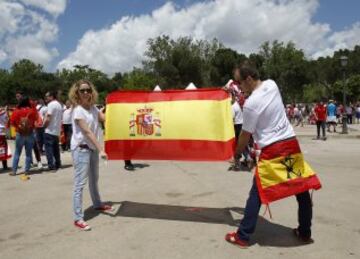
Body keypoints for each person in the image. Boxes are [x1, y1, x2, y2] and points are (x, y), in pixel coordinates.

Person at [225, 64, 320, 248]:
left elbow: (245, 135)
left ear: (249, 79)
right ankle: (305, 232)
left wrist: (236, 153)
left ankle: (243, 236)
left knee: (258, 193)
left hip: (273, 149)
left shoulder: (251, 105)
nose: (239, 86)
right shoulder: (272, 85)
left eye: (239, 82)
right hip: (291, 144)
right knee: (301, 189)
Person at [69, 80, 114, 231]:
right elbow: (87, 132)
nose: (86, 93)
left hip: (92, 149)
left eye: (88, 90)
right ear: (77, 93)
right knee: (79, 184)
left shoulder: (93, 108)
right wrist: (101, 149)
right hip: (81, 149)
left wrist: (114, 105)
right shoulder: (77, 111)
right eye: (82, 91)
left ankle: (97, 204)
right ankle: (78, 218)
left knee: (94, 179)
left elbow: (105, 119)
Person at [10, 97, 38, 180]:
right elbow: (36, 119)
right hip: (30, 133)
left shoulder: (16, 111)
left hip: (20, 134)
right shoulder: (32, 111)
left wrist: (18, 127)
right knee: (28, 153)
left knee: (17, 152)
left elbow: (12, 122)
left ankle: (14, 171)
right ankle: (27, 170)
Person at [43, 91, 63, 171]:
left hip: (49, 130)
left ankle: (51, 166)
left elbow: (48, 117)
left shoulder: (51, 104)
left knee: (49, 149)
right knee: (56, 149)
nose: (46, 98)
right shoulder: (59, 104)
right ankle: (58, 164)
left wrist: (44, 126)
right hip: (56, 130)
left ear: (51, 96)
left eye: (47, 96)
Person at [0, 107, 10, 171]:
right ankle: (5, 166)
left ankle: (5, 166)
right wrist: (6, 111)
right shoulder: (4, 113)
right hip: (1, 132)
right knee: (2, 148)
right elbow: (7, 121)